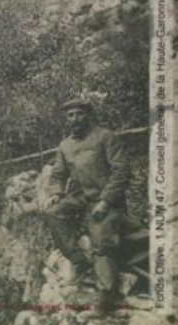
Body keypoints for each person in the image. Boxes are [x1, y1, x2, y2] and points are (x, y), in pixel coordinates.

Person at [43, 98, 129, 310]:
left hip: (105, 200)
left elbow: (121, 172)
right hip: (80, 198)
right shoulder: (65, 145)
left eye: (80, 114)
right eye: (70, 115)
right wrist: (55, 193)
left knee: (101, 240)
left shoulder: (105, 137)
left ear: (89, 115)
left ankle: (105, 295)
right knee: (53, 211)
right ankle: (78, 260)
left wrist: (106, 201)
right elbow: (58, 175)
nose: (75, 119)